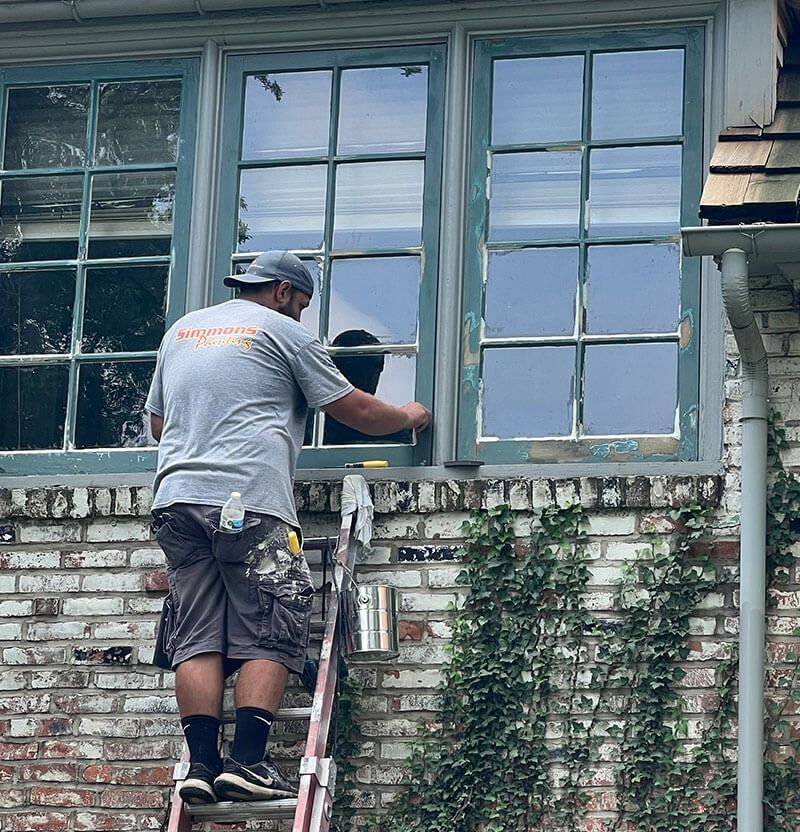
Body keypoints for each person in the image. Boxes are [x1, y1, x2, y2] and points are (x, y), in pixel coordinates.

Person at [144, 250, 431, 806]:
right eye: (299, 304)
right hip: (247, 504)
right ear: (280, 291)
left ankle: (201, 766)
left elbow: (160, 424)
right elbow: (358, 412)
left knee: (196, 635)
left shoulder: (182, 331)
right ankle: (249, 762)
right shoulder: (281, 331)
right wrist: (411, 417)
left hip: (176, 504)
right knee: (273, 624)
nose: (298, 314)